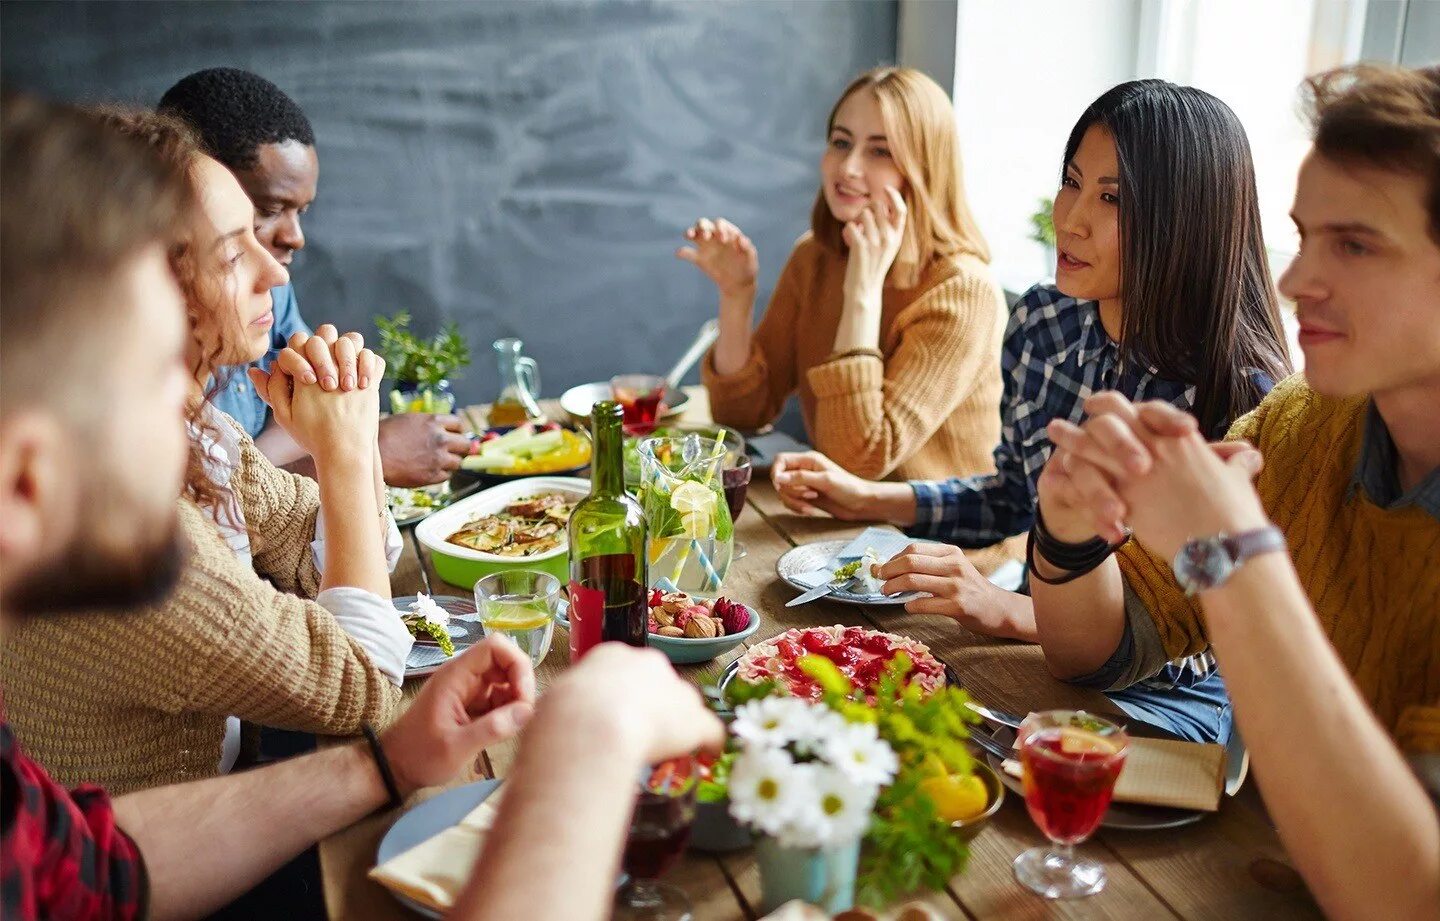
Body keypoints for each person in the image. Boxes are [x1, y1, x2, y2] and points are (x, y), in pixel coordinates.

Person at [0, 93, 724, 921]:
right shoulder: (146, 557)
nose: (194, 398)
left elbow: (88, 870)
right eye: (155, 364)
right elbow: (355, 686)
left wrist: (385, 766)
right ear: (29, 474)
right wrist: (585, 746)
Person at [1030, 63, 1440, 919]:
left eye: (1354, 245)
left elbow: (1408, 892)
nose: (1295, 283)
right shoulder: (1301, 424)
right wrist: (1068, 534)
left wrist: (1235, 555)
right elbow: (1097, 651)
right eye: (1306, 236)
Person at [771, 80, 1292, 743]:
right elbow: (1015, 497)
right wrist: (870, 497)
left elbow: (1201, 638)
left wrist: (1004, 608)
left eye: (1111, 198)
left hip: (1168, 708)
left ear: (1185, 220)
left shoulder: (1242, 396)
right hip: (1045, 656)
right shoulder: (1049, 321)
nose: (1069, 218)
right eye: (1072, 182)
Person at [0, 107, 413, 794]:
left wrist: (352, 434)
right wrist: (345, 449)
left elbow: (314, 545)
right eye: (231, 251)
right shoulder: (130, 528)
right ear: (150, 292)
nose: (274, 275)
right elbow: (362, 686)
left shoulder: (195, 428)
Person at [683, 67, 1008, 516]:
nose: (849, 167)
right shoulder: (815, 257)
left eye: (880, 151)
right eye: (841, 142)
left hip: (948, 554)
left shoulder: (963, 292)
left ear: (923, 169)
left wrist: (863, 286)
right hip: (845, 536)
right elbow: (742, 415)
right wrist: (737, 297)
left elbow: (858, 460)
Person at [158, 67, 470, 488]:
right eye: (269, 210)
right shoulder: (144, 350)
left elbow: (306, 412)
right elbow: (199, 502)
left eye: (300, 212)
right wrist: (359, 457)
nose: (295, 238)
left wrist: (333, 440)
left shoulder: (269, 293)